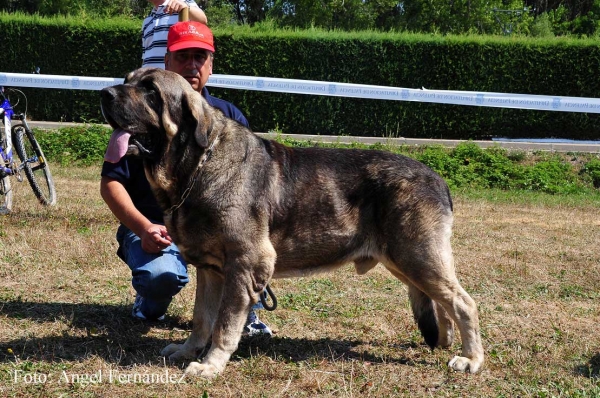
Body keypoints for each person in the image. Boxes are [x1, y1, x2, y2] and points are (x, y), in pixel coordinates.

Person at [100, 21, 272, 337]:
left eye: (200, 57)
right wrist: (144, 228)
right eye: (183, 57)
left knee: (246, 244)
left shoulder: (228, 116)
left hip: (214, 231)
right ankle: (149, 301)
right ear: (167, 62)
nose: (192, 65)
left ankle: (246, 313)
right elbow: (111, 183)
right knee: (160, 276)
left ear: (211, 64)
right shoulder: (137, 111)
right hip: (157, 230)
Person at [142, 0, 208, 69]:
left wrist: (186, 7)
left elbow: (203, 20)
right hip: (147, 77)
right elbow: (145, 56)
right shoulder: (147, 21)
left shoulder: (181, 3)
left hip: (170, 77)